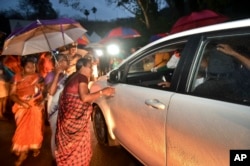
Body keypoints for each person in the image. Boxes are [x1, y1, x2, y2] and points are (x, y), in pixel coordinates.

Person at [55, 58, 115, 166]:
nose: (91, 70)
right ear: (82, 66)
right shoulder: (82, 77)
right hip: (75, 121)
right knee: (78, 148)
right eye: (90, 67)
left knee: (69, 148)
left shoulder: (72, 76)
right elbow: (84, 98)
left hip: (67, 118)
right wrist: (103, 92)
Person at [9, 56, 45, 166]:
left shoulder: (38, 77)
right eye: (29, 67)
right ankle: (24, 149)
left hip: (35, 105)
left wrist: (42, 101)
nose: (32, 69)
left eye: (33, 67)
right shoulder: (16, 78)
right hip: (21, 107)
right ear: (23, 68)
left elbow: (42, 92)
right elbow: (12, 94)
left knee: (35, 128)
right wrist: (22, 103)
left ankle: (29, 149)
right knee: (22, 129)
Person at [44, 54, 69, 159]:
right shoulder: (50, 75)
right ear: (56, 63)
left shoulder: (66, 75)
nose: (65, 62)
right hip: (54, 108)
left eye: (66, 60)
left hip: (65, 107)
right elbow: (51, 91)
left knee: (65, 131)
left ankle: (64, 153)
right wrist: (57, 74)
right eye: (62, 60)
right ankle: (56, 157)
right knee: (55, 132)